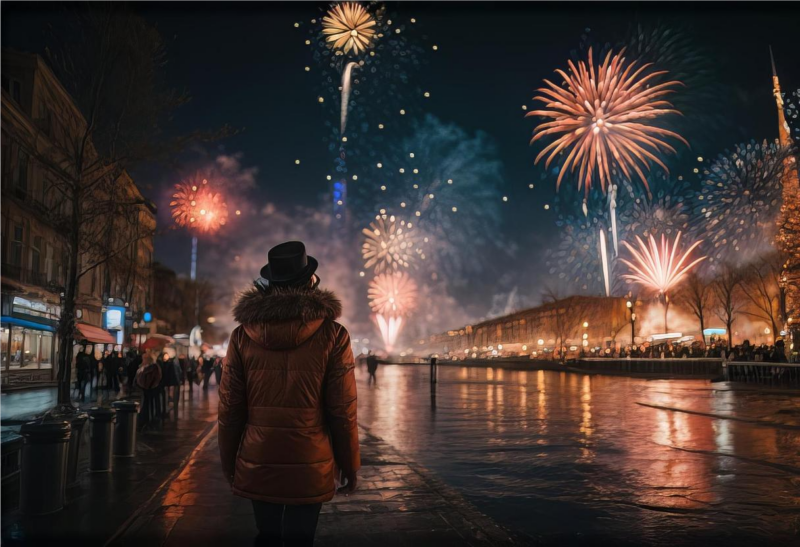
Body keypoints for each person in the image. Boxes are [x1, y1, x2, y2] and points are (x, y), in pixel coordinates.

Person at [219, 241, 359, 547]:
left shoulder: (242, 336)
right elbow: (343, 411)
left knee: (266, 537)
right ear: (311, 282)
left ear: (269, 284)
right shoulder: (334, 335)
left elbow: (230, 410)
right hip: (311, 461)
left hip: (259, 459)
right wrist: (350, 466)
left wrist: (230, 464)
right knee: (300, 540)